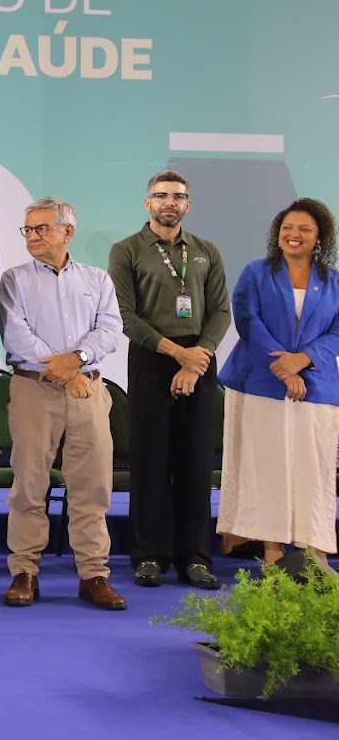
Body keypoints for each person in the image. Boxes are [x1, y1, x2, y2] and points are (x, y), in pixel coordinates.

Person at [0, 197, 126, 611]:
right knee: (29, 484)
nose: (33, 237)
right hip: (35, 391)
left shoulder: (97, 279)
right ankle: (24, 572)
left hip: (89, 391)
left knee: (93, 486)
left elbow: (110, 329)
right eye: (28, 230)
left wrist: (79, 360)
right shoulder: (14, 280)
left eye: (42, 229)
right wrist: (68, 373)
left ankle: (93, 575)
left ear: (67, 232)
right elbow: (17, 336)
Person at [108, 170, 229, 590]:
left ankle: (195, 557)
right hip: (151, 358)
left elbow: (221, 311)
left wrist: (196, 360)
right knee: (150, 461)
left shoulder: (206, 251)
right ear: (148, 203)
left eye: (178, 196)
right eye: (161, 195)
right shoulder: (127, 250)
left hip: (199, 360)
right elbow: (124, 315)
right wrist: (177, 354)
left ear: (188, 204)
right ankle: (149, 555)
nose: (169, 202)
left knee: (195, 462)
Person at [217, 198, 339, 566]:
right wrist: (284, 369)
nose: (294, 234)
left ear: (320, 237)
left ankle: (315, 550)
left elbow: (336, 332)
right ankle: (272, 550)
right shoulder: (256, 273)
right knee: (267, 465)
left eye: (304, 229)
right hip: (260, 382)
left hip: (316, 387)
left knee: (313, 470)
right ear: (277, 233)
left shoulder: (333, 281)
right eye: (287, 227)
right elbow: (248, 321)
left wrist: (301, 361)